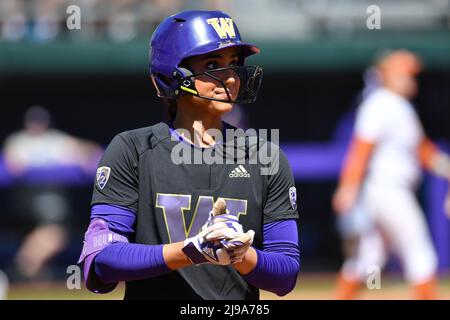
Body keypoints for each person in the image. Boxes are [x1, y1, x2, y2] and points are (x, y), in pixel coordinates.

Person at [77, 10, 300, 300]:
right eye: (212, 64)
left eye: (233, 64)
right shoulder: (133, 149)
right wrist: (191, 250)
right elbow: (102, 260)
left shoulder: (265, 155)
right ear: (171, 75)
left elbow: (286, 275)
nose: (230, 78)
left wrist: (240, 255)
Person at [332, 49, 450, 300]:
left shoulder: (400, 106)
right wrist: (348, 187)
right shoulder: (380, 103)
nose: (411, 80)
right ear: (388, 75)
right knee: (420, 253)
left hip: (388, 191)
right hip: (388, 190)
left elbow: (422, 149)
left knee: (367, 259)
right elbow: (361, 148)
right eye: (405, 74)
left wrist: (446, 167)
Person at [3, 105, 102, 281]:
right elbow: (12, 164)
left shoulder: (54, 140)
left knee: (56, 235)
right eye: (33, 122)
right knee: (53, 235)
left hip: (52, 203)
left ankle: (27, 272)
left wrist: (86, 157)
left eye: (40, 122)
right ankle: (22, 269)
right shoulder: (19, 141)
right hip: (28, 201)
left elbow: (89, 150)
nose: (36, 126)